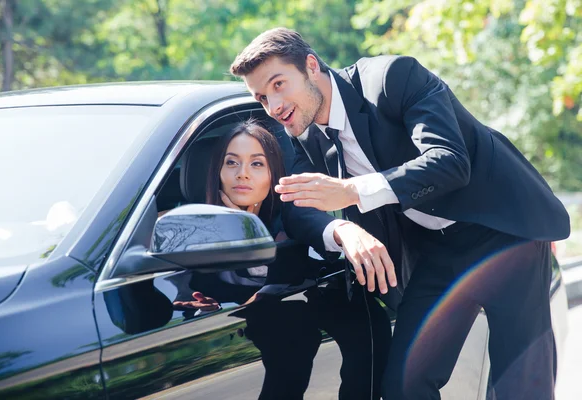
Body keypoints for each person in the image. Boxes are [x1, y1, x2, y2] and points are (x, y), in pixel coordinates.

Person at [230, 27, 571, 400]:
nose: (273, 105)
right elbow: (296, 205)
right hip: (436, 251)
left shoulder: (392, 78)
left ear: (311, 66)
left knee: (520, 387)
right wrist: (342, 228)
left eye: (279, 84)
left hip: (504, 233)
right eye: (262, 97)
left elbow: (450, 162)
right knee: (404, 386)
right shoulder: (303, 134)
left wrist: (352, 191)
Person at [169, 119, 392, 399]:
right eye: (232, 163)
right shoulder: (186, 227)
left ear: (274, 174)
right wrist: (190, 298)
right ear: (217, 171)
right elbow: (177, 284)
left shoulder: (294, 223)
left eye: (257, 164)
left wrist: (248, 224)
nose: (243, 174)